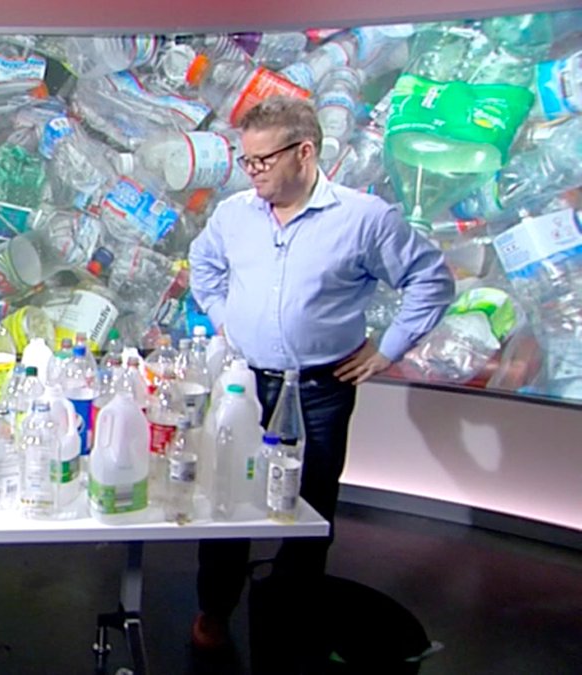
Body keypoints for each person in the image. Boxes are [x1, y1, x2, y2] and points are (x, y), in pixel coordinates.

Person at [186, 96, 454, 655]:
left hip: (319, 389)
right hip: (242, 383)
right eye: (247, 160)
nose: (252, 171)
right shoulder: (234, 214)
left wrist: (389, 350)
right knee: (223, 498)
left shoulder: (364, 219)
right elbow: (204, 263)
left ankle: (288, 618)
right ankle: (214, 609)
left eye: (262, 160)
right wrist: (223, 317)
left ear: (304, 152)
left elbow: (430, 279)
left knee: (308, 509)